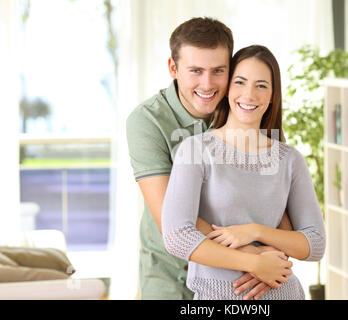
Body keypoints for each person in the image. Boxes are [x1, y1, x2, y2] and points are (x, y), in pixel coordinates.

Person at [126, 17, 292, 300]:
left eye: (218, 71)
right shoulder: (147, 121)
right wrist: (254, 258)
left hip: (241, 282)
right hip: (173, 277)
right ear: (173, 68)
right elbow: (173, 220)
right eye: (195, 71)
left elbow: (280, 202)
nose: (207, 83)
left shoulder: (245, 109)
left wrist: (274, 256)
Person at [161, 45, 326, 300]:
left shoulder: (290, 160)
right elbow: (177, 236)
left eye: (261, 85)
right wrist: (255, 262)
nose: (249, 94)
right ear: (227, 89)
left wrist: (255, 231)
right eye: (240, 82)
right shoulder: (196, 149)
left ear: (273, 95)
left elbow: (315, 244)